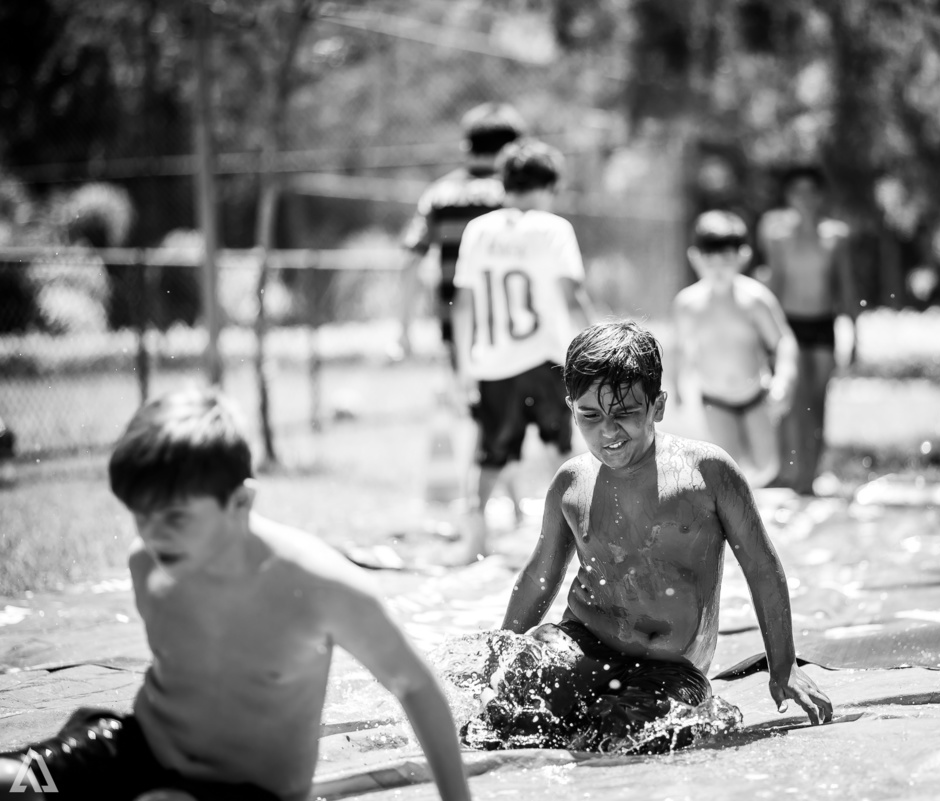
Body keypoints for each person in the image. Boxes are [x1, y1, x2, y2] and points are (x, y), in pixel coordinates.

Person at [0, 389, 471, 801]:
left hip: (247, 790)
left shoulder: (317, 586)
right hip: (133, 752)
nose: (152, 534)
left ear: (241, 503)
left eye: (175, 517)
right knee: (15, 783)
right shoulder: (149, 565)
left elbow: (415, 685)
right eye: (140, 515)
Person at [473, 321, 832, 752]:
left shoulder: (707, 473)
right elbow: (538, 578)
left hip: (671, 664)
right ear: (571, 408)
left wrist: (783, 665)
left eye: (625, 412)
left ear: (657, 406)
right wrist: (502, 655)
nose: (608, 431)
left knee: (634, 737)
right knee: (512, 704)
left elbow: (760, 566)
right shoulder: (572, 483)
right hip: (585, 639)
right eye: (590, 415)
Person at [452, 139, 595, 563]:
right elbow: (573, 296)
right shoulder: (553, 228)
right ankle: (580, 538)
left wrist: (465, 364)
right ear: (548, 185)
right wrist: (599, 346)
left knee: (490, 454)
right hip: (546, 358)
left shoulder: (479, 229)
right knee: (562, 449)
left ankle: (475, 541)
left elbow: (463, 302)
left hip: (493, 361)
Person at [671, 210, 798, 487]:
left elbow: (783, 341)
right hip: (715, 398)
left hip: (755, 394)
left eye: (726, 259)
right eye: (710, 260)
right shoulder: (688, 304)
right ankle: (737, 517)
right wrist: (676, 386)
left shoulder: (754, 299)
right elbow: (681, 348)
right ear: (695, 258)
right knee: (730, 469)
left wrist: (784, 378)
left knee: (767, 465)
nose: (717, 268)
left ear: (743, 255)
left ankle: (748, 500)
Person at [756, 164, 860, 495]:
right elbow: (774, 281)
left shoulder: (836, 236)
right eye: (798, 191)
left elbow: (845, 287)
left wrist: (855, 333)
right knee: (794, 404)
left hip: (822, 325)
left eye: (811, 191)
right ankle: (790, 472)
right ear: (789, 196)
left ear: (821, 196)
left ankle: (811, 476)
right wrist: (764, 332)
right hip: (789, 324)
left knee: (818, 404)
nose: (805, 198)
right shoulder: (775, 233)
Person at [395, 102, 526, 363]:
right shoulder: (518, 195)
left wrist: (404, 331)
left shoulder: (439, 194)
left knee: (465, 399)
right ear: (513, 148)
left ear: (467, 146)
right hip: (516, 327)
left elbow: (411, 261)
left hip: (457, 327)